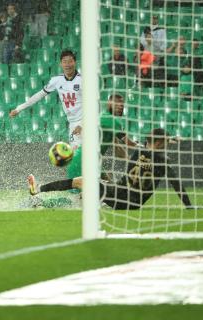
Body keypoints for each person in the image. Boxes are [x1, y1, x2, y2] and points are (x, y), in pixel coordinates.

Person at [28, 128, 193, 210]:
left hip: (124, 195)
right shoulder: (160, 158)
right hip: (128, 197)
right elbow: (176, 183)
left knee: (81, 183)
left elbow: (175, 183)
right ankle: (42, 203)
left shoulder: (147, 153)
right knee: (83, 197)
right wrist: (188, 205)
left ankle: (38, 191)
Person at [10, 49, 83, 150]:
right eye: (64, 61)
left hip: (86, 121)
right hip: (73, 124)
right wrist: (19, 108)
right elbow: (39, 95)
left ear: (75, 62)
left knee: (80, 154)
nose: (67, 64)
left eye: (70, 61)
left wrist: (82, 124)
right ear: (60, 64)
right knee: (77, 155)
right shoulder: (57, 80)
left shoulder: (83, 80)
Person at [67, 93, 138, 179]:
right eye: (117, 104)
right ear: (109, 104)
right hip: (83, 163)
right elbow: (128, 142)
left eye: (122, 105)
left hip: (84, 161)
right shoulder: (113, 121)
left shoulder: (105, 118)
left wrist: (129, 159)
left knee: (108, 187)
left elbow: (117, 147)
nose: (120, 107)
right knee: (97, 190)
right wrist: (143, 146)